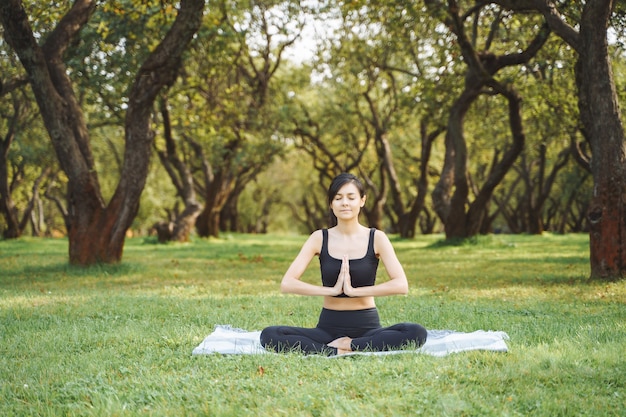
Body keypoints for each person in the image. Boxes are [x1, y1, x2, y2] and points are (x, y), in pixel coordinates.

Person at [260, 173, 427, 355]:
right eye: (338, 198)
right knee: (270, 334)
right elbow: (287, 283)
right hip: (327, 329)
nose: (345, 203)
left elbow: (401, 285)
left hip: (368, 328)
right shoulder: (319, 238)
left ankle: (350, 345)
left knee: (416, 332)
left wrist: (354, 292)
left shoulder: (376, 238)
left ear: (362, 201)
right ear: (331, 204)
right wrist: (332, 291)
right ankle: (335, 351)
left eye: (351, 197)